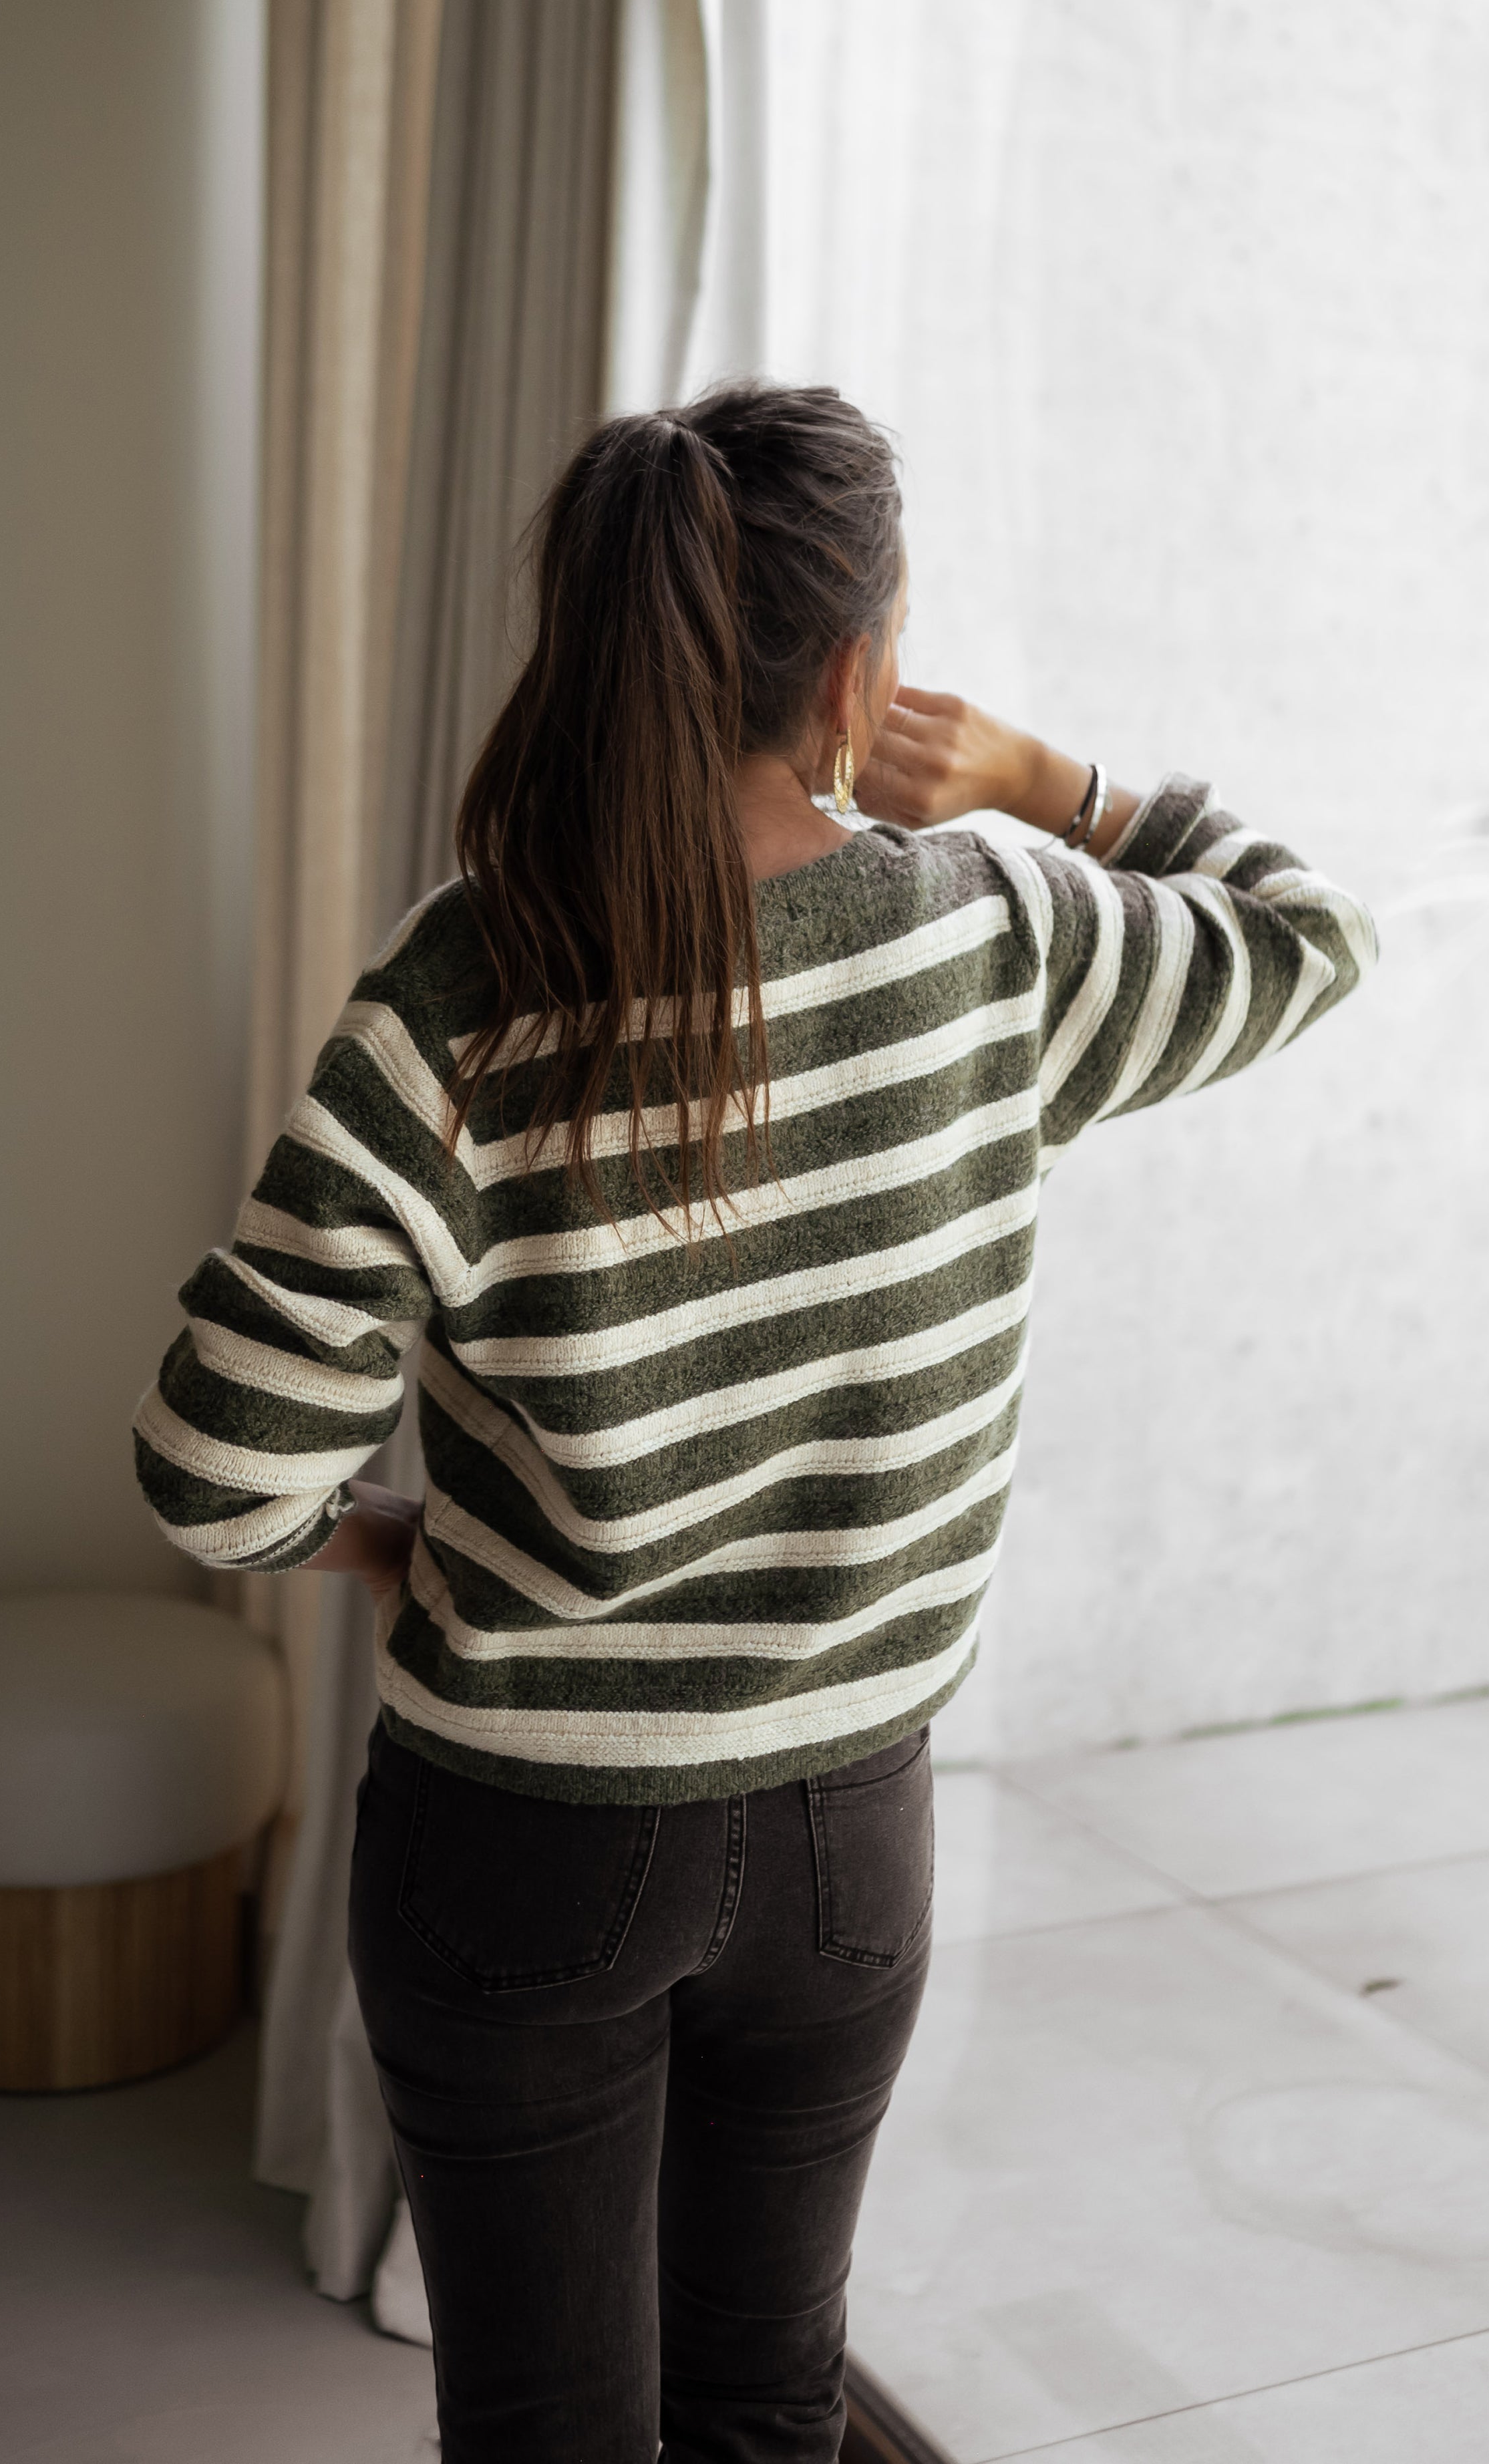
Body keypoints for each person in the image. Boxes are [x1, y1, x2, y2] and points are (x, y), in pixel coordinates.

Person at [134, 380, 1375, 2464]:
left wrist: (395, 1545)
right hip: (842, 1847)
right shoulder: (1000, 930)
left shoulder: (463, 993)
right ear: (863, 672)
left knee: (546, 2432)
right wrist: (1051, 778)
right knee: (765, 2407)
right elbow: (1310, 937)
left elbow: (215, 1467)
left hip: (522, 1840)